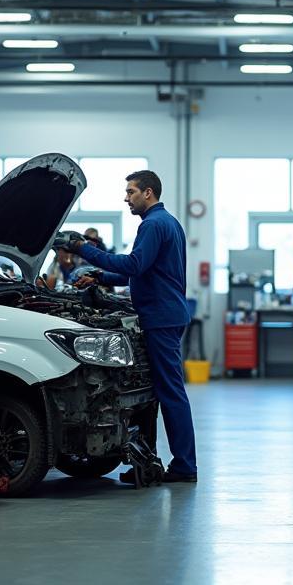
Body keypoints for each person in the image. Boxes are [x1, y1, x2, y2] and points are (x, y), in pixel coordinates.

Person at [73, 170, 198, 483]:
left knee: (170, 393)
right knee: (153, 394)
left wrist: (83, 249)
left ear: (148, 193)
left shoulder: (153, 224)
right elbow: (142, 273)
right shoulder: (167, 222)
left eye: (131, 192)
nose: (126, 198)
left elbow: (133, 265)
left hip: (161, 318)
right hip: (164, 315)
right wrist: (101, 277)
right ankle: (146, 463)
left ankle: (185, 466)